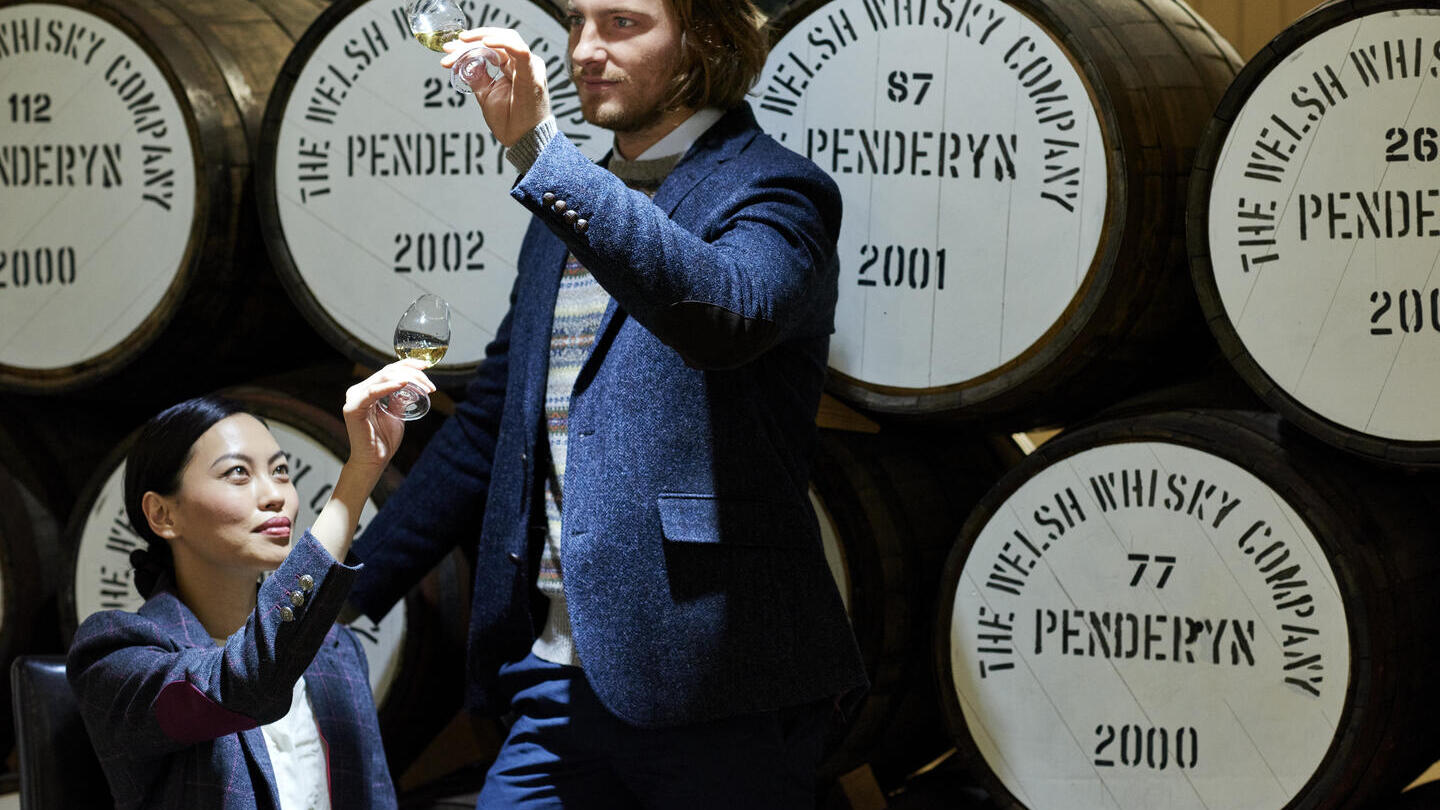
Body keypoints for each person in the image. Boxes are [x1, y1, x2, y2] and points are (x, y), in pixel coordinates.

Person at [345, 0, 867, 806]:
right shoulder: (565, 211)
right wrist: (340, 596)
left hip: (714, 681)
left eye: (622, 23)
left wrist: (540, 153)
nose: (585, 49)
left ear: (709, 39)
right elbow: (490, 428)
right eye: (578, 22)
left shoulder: (778, 190)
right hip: (549, 679)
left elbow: (723, 316)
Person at [67, 361, 435, 810]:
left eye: (281, 471)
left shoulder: (335, 649)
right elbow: (246, 682)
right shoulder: (117, 655)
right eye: (237, 473)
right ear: (163, 515)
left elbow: (376, 798)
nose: (275, 494)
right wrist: (358, 475)